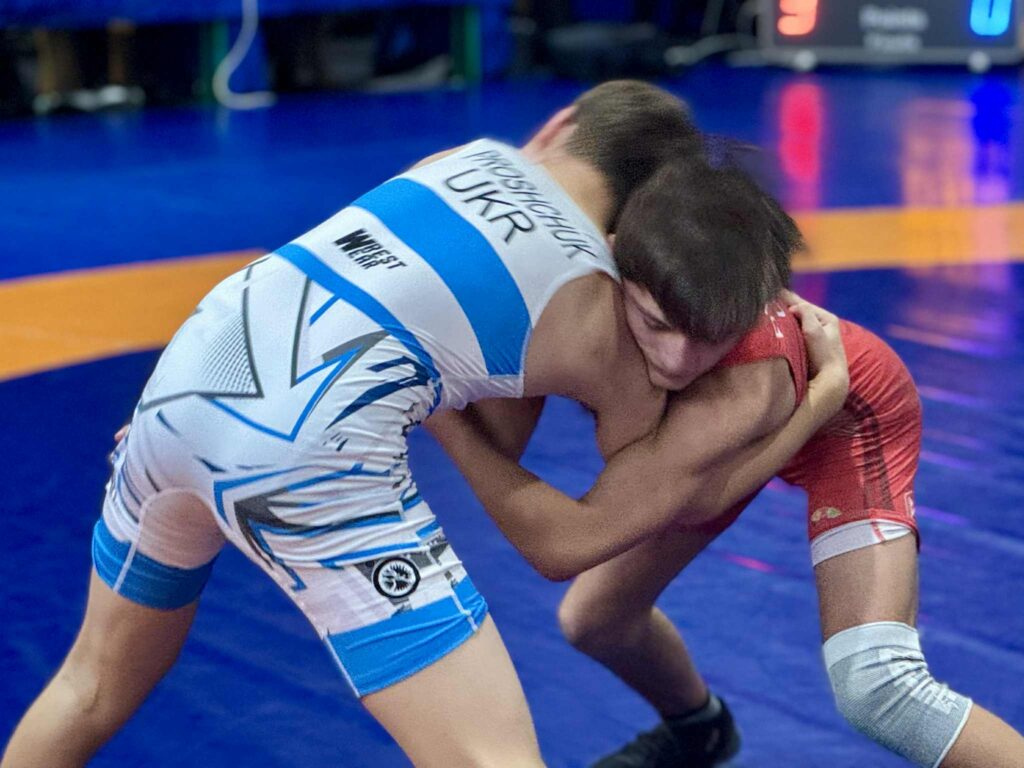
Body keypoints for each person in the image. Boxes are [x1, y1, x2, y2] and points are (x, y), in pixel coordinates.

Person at [1, 82, 838, 768]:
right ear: (636, 232)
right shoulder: (602, 318)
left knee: (90, 685)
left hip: (189, 376)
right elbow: (587, 526)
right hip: (304, 451)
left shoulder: (457, 158)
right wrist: (799, 414)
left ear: (558, 127)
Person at [432, 167, 1024, 768]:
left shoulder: (740, 389)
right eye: (657, 324)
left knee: (878, 688)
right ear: (613, 259)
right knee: (595, 621)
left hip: (845, 423)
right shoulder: (602, 263)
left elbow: (567, 546)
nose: (677, 360)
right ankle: (700, 729)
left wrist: (443, 417)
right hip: (723, 436)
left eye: (709, 336)